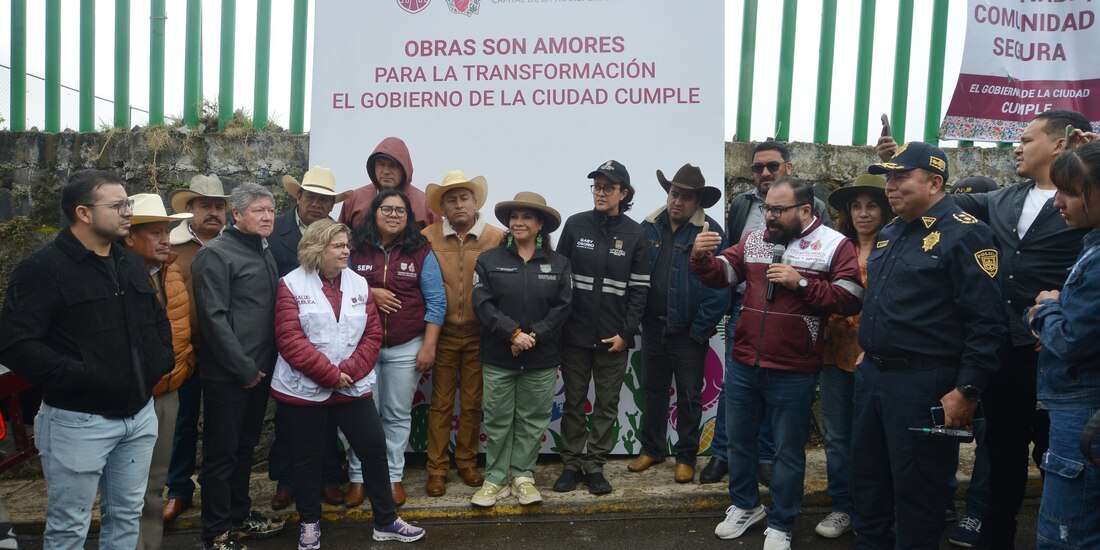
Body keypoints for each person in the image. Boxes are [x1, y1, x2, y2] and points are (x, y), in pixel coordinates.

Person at [939, 111, 1090, 550]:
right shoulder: (1001, 198)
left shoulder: (1087, 200)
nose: (1017, 147)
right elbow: (939, 200)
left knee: (1060, 462)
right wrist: (911, 170)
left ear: (1060, 144)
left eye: (1026, 139)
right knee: (999, 459)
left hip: (1059, 358)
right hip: (1002, 353)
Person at [0, 170, 173, 550]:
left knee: (126, 518)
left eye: (127, 203)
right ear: (83, 213)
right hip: (77, 422)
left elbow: (155, 323)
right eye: (118, 205)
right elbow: (16, 344)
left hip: (138, 416)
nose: (128, 211)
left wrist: (157, 365)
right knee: (68, 528)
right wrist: (83, 376)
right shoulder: (42, 269)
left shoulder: (127, 262)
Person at [851, 142, 1007, 550]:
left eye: (901, 177)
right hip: (874, 378)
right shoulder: (891, 231)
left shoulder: (966, 234)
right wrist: (869, 344)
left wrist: (967, 390)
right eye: (889, 177)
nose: (890, 187)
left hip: (924, 384)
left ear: (935, 182)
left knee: (919, 498)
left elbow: (986, 323)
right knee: (867, 486)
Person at [692, 176, 862, 550]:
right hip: (745, 361)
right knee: (738, 441)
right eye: (768, 207)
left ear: (805, 210)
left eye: (778, 209)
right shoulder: (755, 239)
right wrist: (700, 257)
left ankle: (782, 522)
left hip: (794, 370)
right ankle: (745, 505)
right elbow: (724, 273)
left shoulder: (835, 245)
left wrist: (800, 284)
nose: (769, 215)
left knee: (786, 451)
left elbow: (851, 297)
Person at [272, 220, 426, 547]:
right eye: (338, 246)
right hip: (305, 389)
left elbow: (372, 334)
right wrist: (330, 374)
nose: (347, 251)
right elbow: (290, 339)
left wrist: (350, 371)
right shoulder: (292, 284)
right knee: (307, 457)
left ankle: (385, 521)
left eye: (347, 245)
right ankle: (310, 522)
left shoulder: (358, 283)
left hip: (351, 386)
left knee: (373, 448)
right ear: (317, 248)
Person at [704, 140, 831, 487]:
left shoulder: (813, 205)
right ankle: (722, 454)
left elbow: (827, 258)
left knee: (774, 394)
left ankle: (764, 459)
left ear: (788, 168)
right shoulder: (742, 204)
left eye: (772, 167)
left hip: (791, 316)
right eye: (757, 167)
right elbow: (732, 258)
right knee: (736, 389)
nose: (764, 173)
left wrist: (801, 285)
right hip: (745, 310)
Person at [192, 182, 284, 550]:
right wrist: (242, 368)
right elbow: (213, 319)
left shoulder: (263, 250)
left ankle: (240, 515)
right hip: (229, 375)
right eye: (258, 210)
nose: (267, 217)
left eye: (271, 210)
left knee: (244, 449)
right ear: (237, 215)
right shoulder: (215, 254)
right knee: (220, 455)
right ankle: (216, 532)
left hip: (259, 371)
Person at [553, 160, 651, 496]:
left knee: (607, 405)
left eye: (609, 188)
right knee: (574, 403)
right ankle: (570, 464)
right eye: (596, 186)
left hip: (614, 339)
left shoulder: (636, 235)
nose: (601, 193)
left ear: (624, 193)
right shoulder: (575, 225)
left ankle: (594, 466)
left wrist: (626, 333)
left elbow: (640, 292)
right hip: (574, 335)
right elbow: (558, 279)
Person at [470, 192, 573, 507]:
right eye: (514, 217)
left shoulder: (559, 263)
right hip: (500, 356)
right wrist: (513, 334)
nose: (519, 222)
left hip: (541, 358)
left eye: (527, 217)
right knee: (499, 419)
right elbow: (482, 303)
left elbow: (563, 307)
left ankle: (523, 477)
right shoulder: (489, 260)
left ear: (540, 224)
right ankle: (496, 479)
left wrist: (532, 336)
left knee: (532, 419)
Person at [629, 164, 729, 483]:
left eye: (686, 197)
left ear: (697, 201)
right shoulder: (648, 228)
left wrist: (699, 329)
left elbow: (721, 286)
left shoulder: (709, 232)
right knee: (654, 392)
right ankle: (652, 449)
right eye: (674, 193)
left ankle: (686, 457)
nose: (678, 201)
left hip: (688, 334)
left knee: (688, 396)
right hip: (653, 327)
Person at [1024, 135, 1100, 550]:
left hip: (1082, 413)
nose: (1058, 203)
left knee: (1066, 534)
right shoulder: (1092, 246)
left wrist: (1046, 308)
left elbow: (1070, 340)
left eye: (1070, 193)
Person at [349, 189, 446, 508]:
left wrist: (428, 346)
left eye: (400, 211)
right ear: (374, 212)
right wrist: (369, 291)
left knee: (396, 414)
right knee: (362, 415)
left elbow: (436, 301)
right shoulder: (355, 248)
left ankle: (392, 477)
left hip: (407, 347)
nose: (393, 215)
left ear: (409, 218)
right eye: (387, 209)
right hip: (361, 347)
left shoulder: (421, 251)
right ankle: (359, 478)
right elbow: (335, 287)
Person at [266, 167, 352, 511]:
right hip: (287, 336)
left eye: (325, 199)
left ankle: (329, 477)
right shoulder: (274, 233)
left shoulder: (338, 235)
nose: (318, 204)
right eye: (311, 196)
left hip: (330, 338)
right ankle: (286, 480)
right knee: (290, 414)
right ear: (298, 197)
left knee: (330, 411)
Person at [814, 174, 891, 539]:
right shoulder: (835, 246)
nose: (863, 213)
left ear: (885, 209)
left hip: (876, 356)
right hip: (834, 353)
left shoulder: (894, 245)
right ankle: (843, 505)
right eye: (856, 206)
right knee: (837, 436)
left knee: (874, 436)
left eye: (872, 205)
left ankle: (873, 509)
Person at [421, 170, 505, 497]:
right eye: (451, 199)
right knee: (441, 405)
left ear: (475, 202)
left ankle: (467, 462)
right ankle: (436, 469)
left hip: (479, 335)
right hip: (441, 336)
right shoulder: (427, 237)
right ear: (442, 207)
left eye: (464, 198)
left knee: (471, 404)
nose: (458, 205)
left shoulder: (495, 238)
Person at [122, 194, 197, 550]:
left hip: (167, 392)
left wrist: (185, 365)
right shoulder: (115, 277)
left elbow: (182, 327)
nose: (165, 239)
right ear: (129, 238)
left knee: (153, 486)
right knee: (124, 489)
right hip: (129, 396)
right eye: (155, 232)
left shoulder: (171, 271)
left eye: (165, 231)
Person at [164, 174, 231, 523]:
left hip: (225, 352)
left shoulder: (238, 244)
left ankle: (218, 492)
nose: (213, 212)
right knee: (182, 421)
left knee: (223, 425)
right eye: (205, 205)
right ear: (189, 210)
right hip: (185, 349)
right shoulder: (171, 248)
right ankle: (178, 490)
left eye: (219, 206)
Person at [337, 137, 439, 231]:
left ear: (404, 169)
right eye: (380, 164)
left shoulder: (426, 204)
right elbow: (337, 240)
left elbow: (440, 245)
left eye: (392, 165)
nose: (386, 171)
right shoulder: (354, 199)